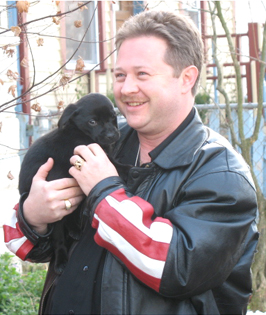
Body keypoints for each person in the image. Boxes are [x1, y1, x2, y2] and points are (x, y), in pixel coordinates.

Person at [4, 10, 259, 315]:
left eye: (142, 74)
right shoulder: (100, 142)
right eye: (121, 75)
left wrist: (103, 191)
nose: (125, 89)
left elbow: (173, 268)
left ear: (186, 78)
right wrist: (35, 216)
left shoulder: (222, 175)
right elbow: (33, 247)